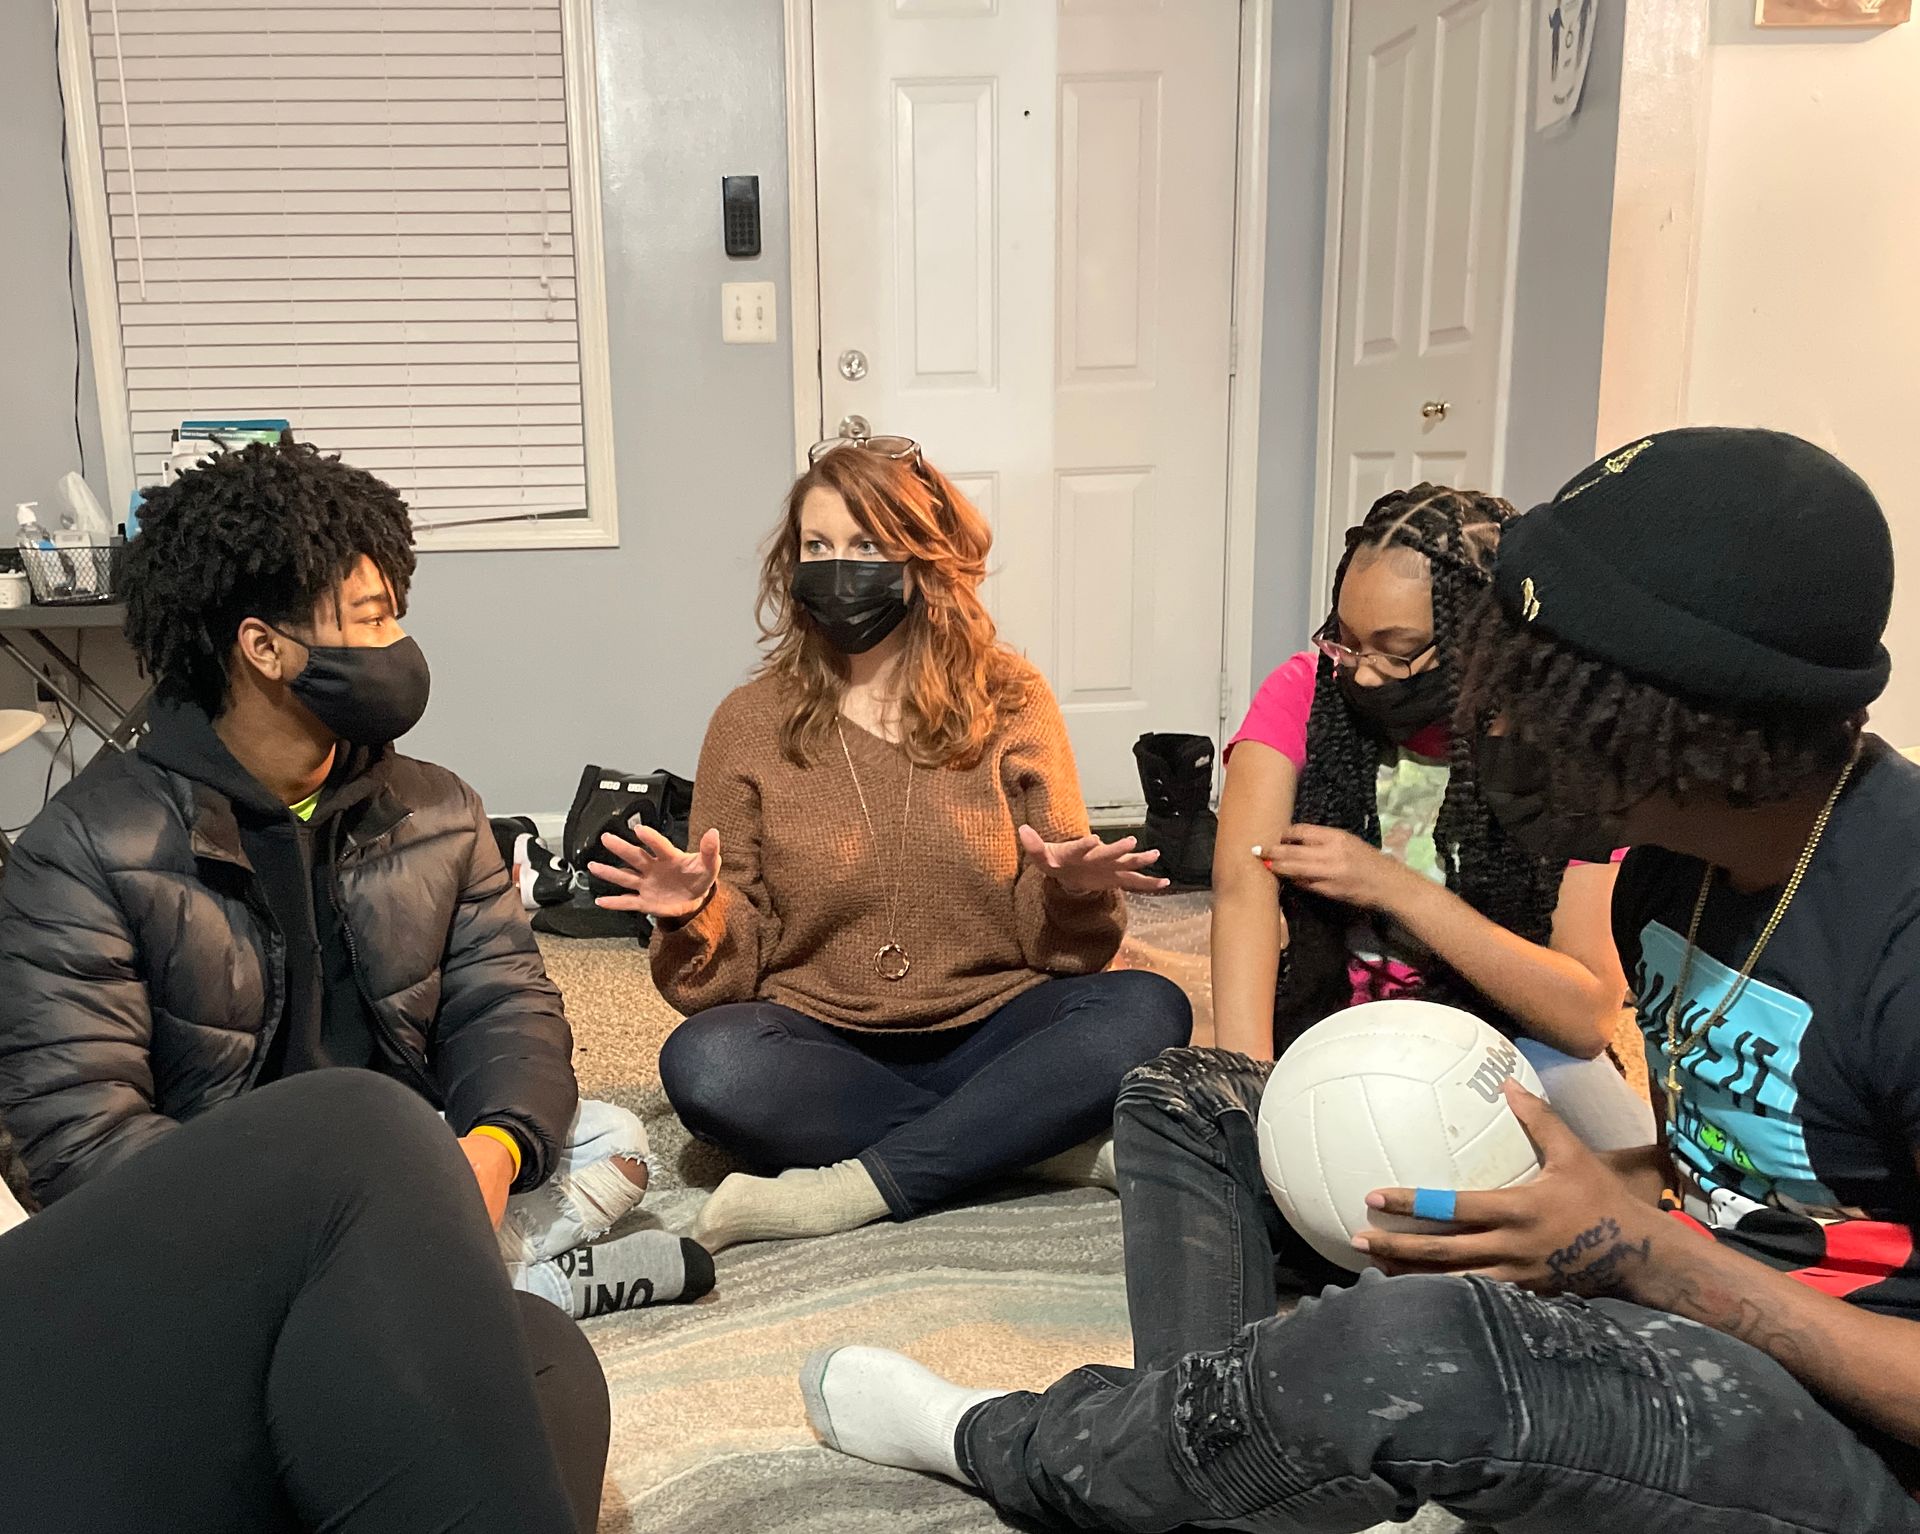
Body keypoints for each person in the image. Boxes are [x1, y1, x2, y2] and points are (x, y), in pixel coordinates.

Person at [795, 427, 1920, 1531]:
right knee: (1192, 1093)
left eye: (1541, 678)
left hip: (1853, 1434)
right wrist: (1605, 1191)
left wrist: (1654, 1259)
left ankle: (1016, 1444)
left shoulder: (1899, 928)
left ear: (1680, 710)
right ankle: (1218, 1448)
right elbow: (1759, 1164)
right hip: (1700, 1275)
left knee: (1417, 1351)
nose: (1497, 715)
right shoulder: (1679, 865)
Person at [0, 442, 711, 1319]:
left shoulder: (440, 809)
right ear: (264, 647)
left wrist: (488, 1151)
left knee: (611, 1139)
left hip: (401, 1162)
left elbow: (507, 1008)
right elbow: (79, 1128)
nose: (398, 647)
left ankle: (399, 1292)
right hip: (225, 1196)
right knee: (78, 1259)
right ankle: (487, 1289)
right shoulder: (85, 848)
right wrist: (307, 1218)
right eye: (371, 620)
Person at [590, 435, 1192, 1251]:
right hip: (823, 1033)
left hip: (997, 1018)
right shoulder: (749, 721)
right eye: (818, 546)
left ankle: (856, 1187)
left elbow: (1067, 957)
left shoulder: (1011, 699)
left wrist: (1072, 888)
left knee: (1149, 1009)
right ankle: (1038, 1147)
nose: (841, 568)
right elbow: (726, 980)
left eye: (868, 545)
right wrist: (696, 911)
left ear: (925, 559)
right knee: (708, 1067)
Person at [1213, 483, 1651, 1154]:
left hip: (1499, 1039)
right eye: (1347, 641)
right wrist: (1252, 1087)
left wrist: (1392, 887)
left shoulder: (1560, 750)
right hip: (1332, 1025)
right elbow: (1244, 894)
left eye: (1397, 650)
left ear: (1481, 640)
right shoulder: (1304, 692)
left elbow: (1587, 1016)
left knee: (1633, 1178)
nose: (1361, 674)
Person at [0, 1071, 609, 1534]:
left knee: (544, 1353)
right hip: (247, 1187)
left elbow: (502, 996)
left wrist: (500, 1143)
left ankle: (463, 1263)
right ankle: (489, 1265)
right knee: (362, 1136)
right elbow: (85, 1134)